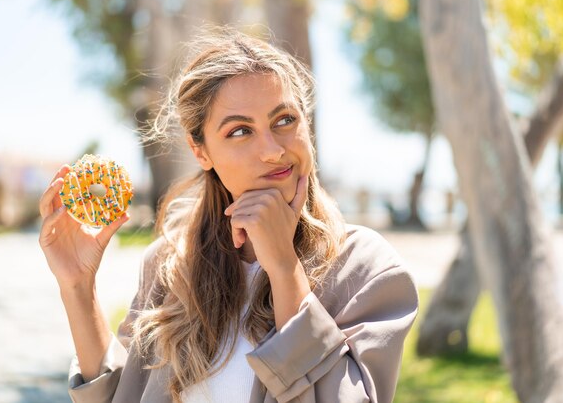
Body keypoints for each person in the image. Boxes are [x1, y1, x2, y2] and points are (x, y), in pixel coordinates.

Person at [38, 26, 419, 403]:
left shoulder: (366, 269)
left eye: (284, 120)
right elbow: (124, 396)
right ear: (200, 151)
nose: (272, 150)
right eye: (240, 131)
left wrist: (285, 269)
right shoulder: (168, 265)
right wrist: (78, 288)